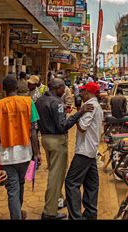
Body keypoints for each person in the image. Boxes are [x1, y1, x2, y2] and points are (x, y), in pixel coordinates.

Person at [35, 78, 94, 220]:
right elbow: (63, 125)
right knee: (55, 177)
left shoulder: (39, 100)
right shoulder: (57, 103)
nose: (65, 91)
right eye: (63, 88)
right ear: (58, 88)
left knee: (53, 173)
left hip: (45, 139)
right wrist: (79, 113)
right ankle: (49, 212)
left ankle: (56, 201)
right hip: (57, 141)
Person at [0, 75, 40, 220]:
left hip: (7, 156)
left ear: (3, 90)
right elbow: (33, 131)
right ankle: (18, 213)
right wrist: (37, 153)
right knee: (20, 185)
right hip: (25, 154)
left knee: (12, 189)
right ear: (17, 88)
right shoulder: (28, 102)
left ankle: (16, 215)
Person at [65, 82, 104, 220]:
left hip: (84, 151)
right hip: (91, 150)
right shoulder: (97, 106)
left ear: (88, 92)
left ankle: (76, 217)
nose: (81, 94)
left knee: (71, 183)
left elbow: (82, 127)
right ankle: (90, 214)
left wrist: (78, 113)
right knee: (91, 184)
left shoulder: (90, 106)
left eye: (83, 91)